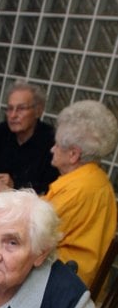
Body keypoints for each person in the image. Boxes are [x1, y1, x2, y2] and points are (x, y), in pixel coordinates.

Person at [44, 99, 118, 288]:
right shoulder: (96, 178)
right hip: (83, 279)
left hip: (64, 284)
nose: (52, 149)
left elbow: (35, 232)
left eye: (57, 145)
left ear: (74, 154)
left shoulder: (77, 189)